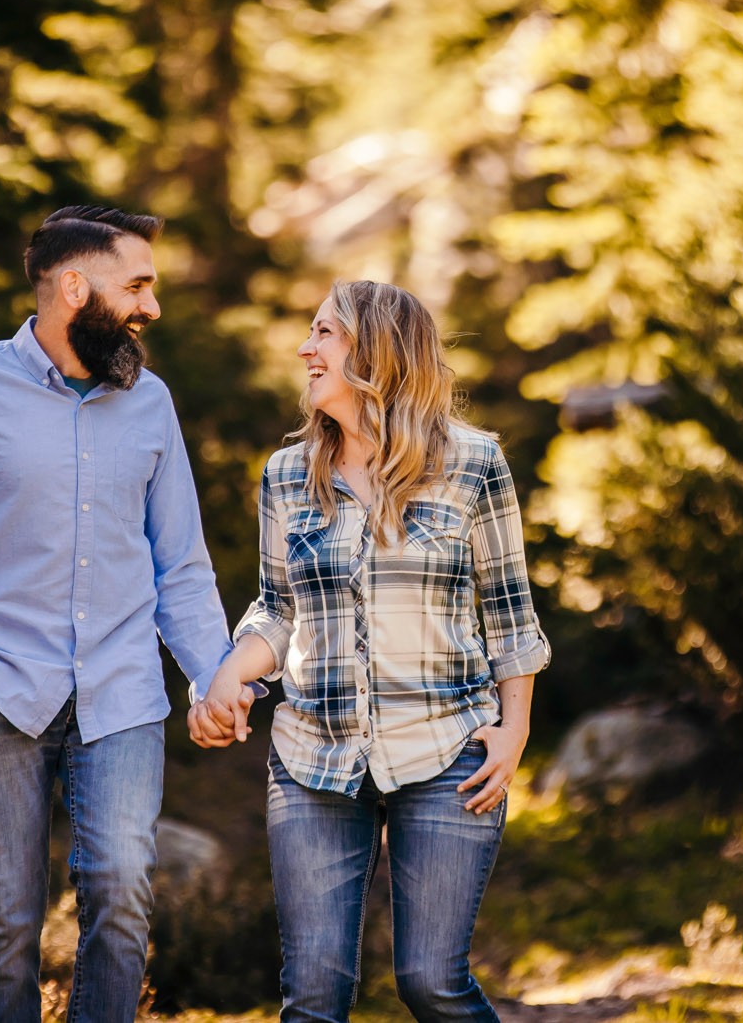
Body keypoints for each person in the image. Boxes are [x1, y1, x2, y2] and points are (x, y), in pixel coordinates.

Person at [0, 205, 253, 1023]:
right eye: (137, 285)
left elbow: (179, 563)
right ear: (74, 286)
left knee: (120, 900)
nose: (150, 306)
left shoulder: (150, 403)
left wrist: (216, 678)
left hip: (121, 692)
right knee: (4, 920)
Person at [190, 280, 550, 1023]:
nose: (305, 349)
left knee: (432, 983)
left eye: (323, 333)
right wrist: (229, 673)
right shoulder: (289, 474)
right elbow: (277, 609)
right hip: (313, 754)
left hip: (448, 747)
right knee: (313, 997)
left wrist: (512, 732)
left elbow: (511, 616)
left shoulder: (474, 464)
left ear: (375, 350)